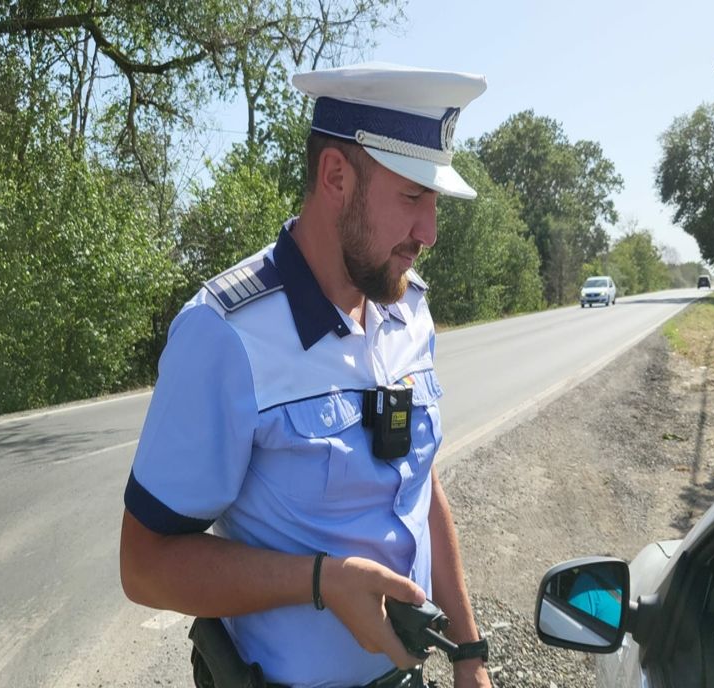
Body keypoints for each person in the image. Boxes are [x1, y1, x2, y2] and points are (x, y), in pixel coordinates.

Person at [119, 62, 491, 688]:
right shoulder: (225, 334)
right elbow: (145, 566)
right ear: (336, 176)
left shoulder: (408, 310)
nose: (427, 231)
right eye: (411, 197)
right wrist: (322, 582)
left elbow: (420, 489)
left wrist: (469, 656)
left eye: (433, 203)